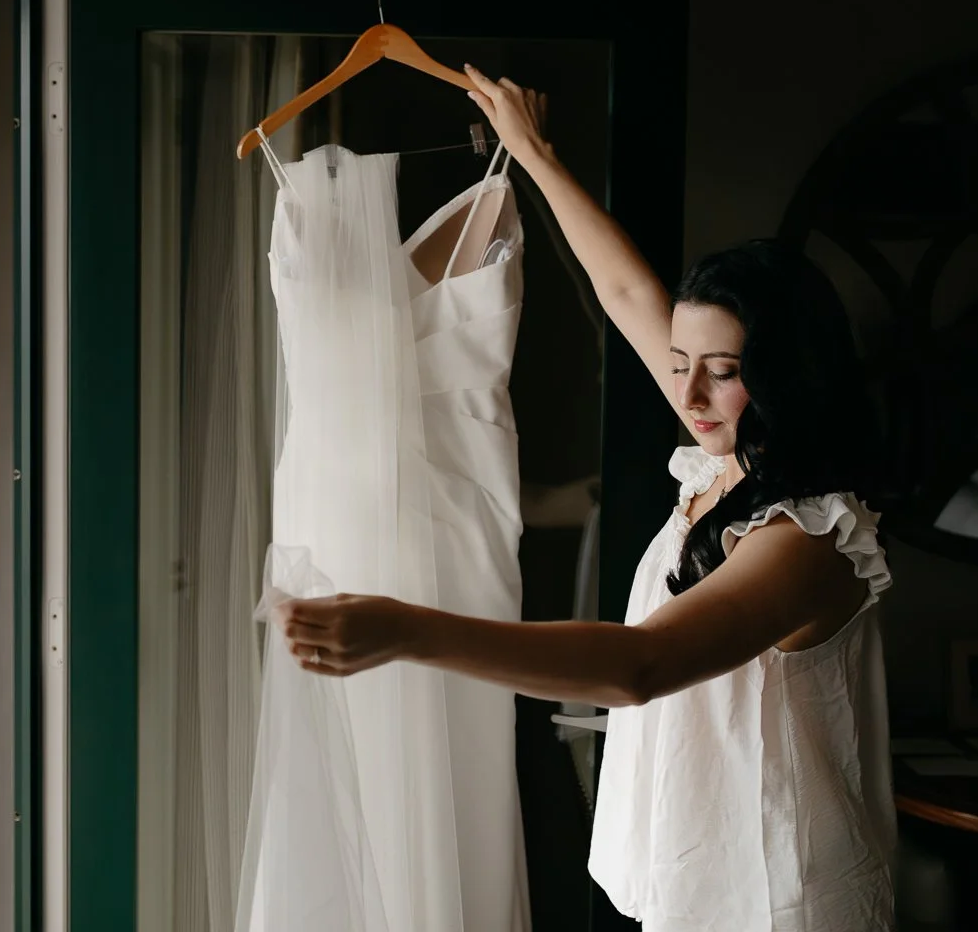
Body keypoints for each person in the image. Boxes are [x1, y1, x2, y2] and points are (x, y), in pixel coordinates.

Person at [271, 65, 898, 931]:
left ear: (791, 375)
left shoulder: (809, 538)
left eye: (724, 373)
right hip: (710, 878)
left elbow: (639, 667)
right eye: (679, 367)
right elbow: (628, 293)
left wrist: (405, 628)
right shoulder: (728, 466)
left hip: (778, 894)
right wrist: (531, 154)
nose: (690, 397)